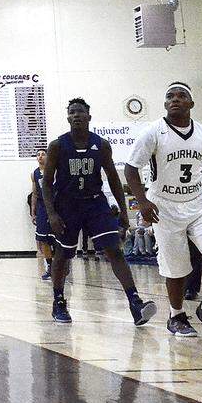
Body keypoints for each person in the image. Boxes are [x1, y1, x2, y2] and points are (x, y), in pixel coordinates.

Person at [124, 81, 202, 338]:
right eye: (170, 96)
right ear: (165, 103)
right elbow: (131, 169)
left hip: (197, 203)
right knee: (176, 267)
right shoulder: (153, 132)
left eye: (181, 96)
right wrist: (143, 202)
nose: (175, 99)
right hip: (164, 206)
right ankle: (176, 315)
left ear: (191, 104)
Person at [41, 98, 156, 327]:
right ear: (68, 118)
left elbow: (113, 178)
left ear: (88, 117)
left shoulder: (101, 145)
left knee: (114, 249)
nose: (76, 115)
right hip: (67, 205)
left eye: (80, 112)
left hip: (95, 203)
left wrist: (124, 212)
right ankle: (59, 301)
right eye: (72, 112)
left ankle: (135, 302)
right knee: (63, 255)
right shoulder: (57, 146)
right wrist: (51, 214)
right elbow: (46, 183)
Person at [30, 149, 54, 279]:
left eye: (43, 154)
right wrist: (33, 211)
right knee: (43, 239)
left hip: (55, 206)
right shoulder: (34, 174)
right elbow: (34, 193)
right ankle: (49, 266)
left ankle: (61, 265)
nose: (40, 156)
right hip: (42, 207)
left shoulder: (55, 171)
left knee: (57, 238)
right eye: (38, 155)